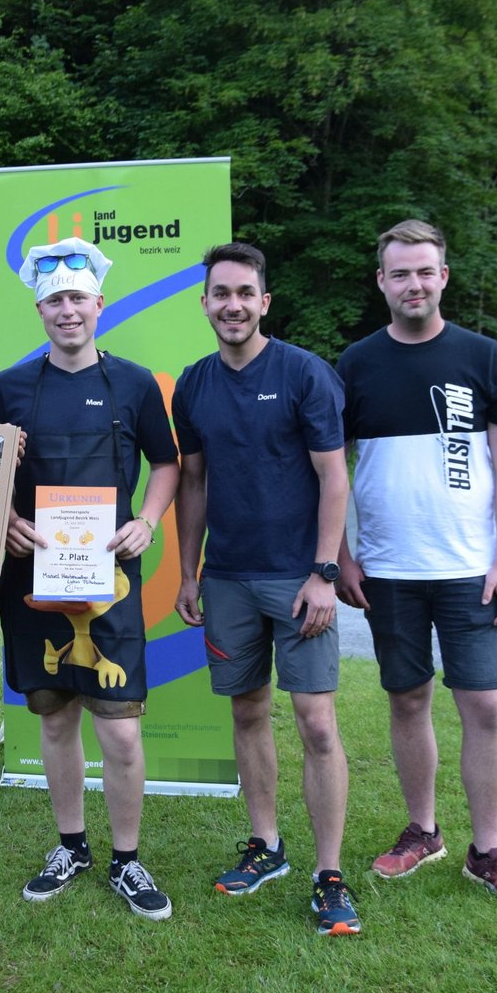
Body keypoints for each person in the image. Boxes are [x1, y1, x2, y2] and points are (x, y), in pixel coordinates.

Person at [335, 219, 497, 911]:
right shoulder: (357, 363)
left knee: (484, 704)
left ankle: (489, 850)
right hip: (388, 571)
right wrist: (341, 557)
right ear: (382, 282)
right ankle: (423, 830)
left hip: (470, 570)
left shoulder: (481, 356)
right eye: (400, 273)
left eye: (425, 271)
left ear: (444, 277)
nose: (414, 284)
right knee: (407, 699)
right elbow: (328, 469)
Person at [0, 238, 180, 921]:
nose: (67, 310)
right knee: (55, 717)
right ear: (40, 310)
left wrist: (148, 522)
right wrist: (7, 519)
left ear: (99, 304)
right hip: (32, 575)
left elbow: (167, 464)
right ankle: (71, 845)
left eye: (77, 298)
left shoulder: (134, 383)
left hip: (111, 578)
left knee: (120, 729)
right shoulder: (8, 387)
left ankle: (127, 859)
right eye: (54, 301)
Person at [172, 242, 360, 937]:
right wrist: (187, 571)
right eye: (221, 293)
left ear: (264, 301)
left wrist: (324, 573)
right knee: (248, 712)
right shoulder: (193, 384)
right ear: (205, 303)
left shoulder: (305, 374)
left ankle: (329, 873)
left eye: (245, 293)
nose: (233, 305)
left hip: (298, 579)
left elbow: (333, 477)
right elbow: (193, 482)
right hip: (226, 579)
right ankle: (267, 846)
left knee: (317, 722)